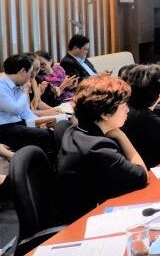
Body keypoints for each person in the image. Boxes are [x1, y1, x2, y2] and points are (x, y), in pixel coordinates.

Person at [56, 75, 148, 223]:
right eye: (123, 106)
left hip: (74, 212)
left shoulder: (76, 131)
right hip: (85, 223)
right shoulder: (97, 147)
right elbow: (142, 177)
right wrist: (121, 136)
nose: (128, 110)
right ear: (105, 114)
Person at [0, 54, 58, 155]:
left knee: (55, 129)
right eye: (30, 72)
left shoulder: (18, 84)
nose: (31, 76)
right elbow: (16, 109)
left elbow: (26, 113)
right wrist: (25, 91)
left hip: (18, 124)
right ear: (23, 71)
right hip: (4, 128)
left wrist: (39, 123)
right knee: (45, 135)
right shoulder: (2, 87)